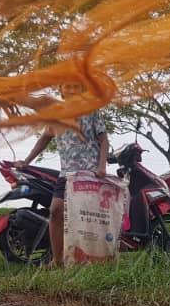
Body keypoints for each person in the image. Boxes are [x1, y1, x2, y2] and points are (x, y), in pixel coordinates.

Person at [16, 109, 109, 267]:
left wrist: (101, 166)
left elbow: (104, 140)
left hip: (89, 174)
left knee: (86, 217)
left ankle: (91, 260)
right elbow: (44, 139)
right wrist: (26, 161)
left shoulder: (92, 111)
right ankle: (58, 260)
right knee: (56, 211)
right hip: (66, 174)